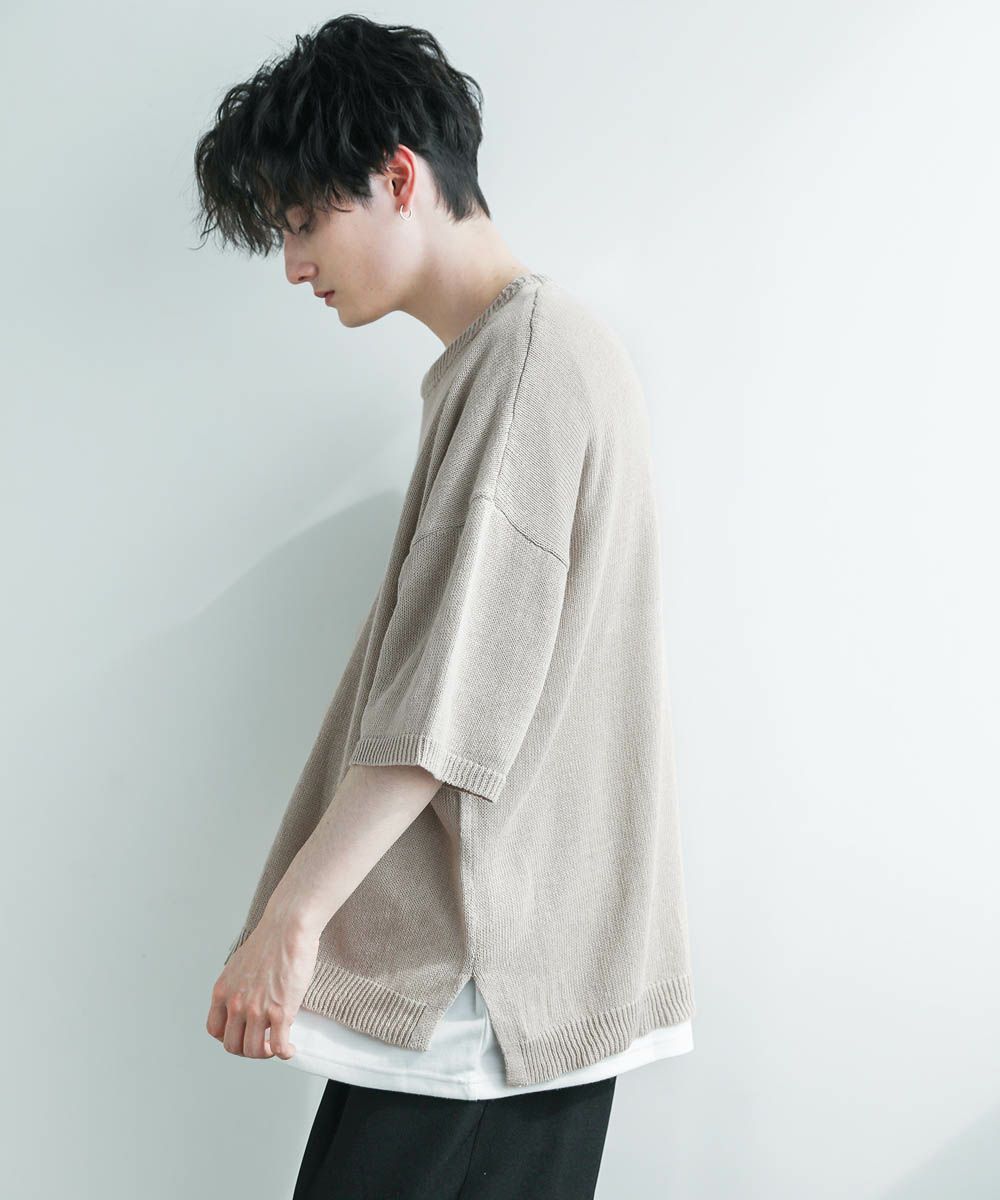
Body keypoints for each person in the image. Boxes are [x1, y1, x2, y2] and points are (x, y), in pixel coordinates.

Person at [193, 14, 696, 1199]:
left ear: (398, 176)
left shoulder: (525, 369)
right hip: (515, 981)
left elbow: (447, 711)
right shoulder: (521, 358)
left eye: (303, 221)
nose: (293, 265)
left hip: (482, 996)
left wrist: (290, 921)